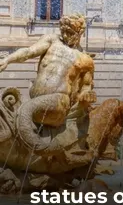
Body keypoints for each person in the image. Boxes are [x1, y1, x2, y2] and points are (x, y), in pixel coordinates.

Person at [0, 14, 95, 153]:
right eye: (63, 32)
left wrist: (87, 95)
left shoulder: (85, 59)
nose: (66, 36)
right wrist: (8, 59)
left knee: (25, 111)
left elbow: (86, 86)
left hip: (58, 102)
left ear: (80, 33)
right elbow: (28, 52)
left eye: (70, 33)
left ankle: (44, 150)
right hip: (37, 101)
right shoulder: (51, 40)